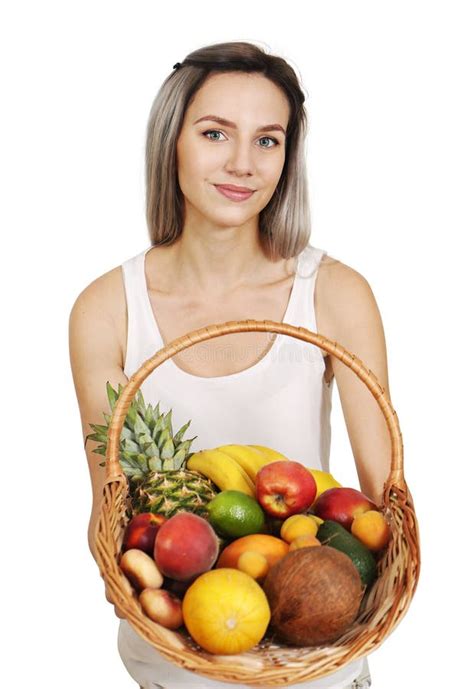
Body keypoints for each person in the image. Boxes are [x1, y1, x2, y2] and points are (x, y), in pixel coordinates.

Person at [69, 40, 391, 689]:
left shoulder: (333, 291)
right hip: (171, 665)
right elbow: (112, 495)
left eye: (268, 140)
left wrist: (370, 586)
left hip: (313, 665)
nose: (243, 163)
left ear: (288, 157)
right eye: (216, 133)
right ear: (173, 142)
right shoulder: (108, 308)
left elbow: (387, 503)